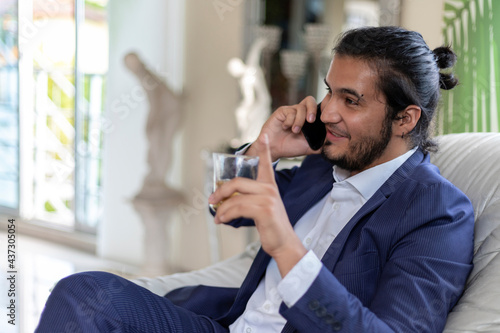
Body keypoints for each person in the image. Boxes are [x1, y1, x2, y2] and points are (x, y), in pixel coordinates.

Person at [35, 26, 474, 333]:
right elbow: (222, 207)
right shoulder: (323, 165)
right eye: (329, 91)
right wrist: (264, 149)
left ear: (404, 118)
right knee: (83, 291)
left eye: (351, 100)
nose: (326, 111)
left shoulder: (437, 213)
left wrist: (286, 246)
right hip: (228, 326)